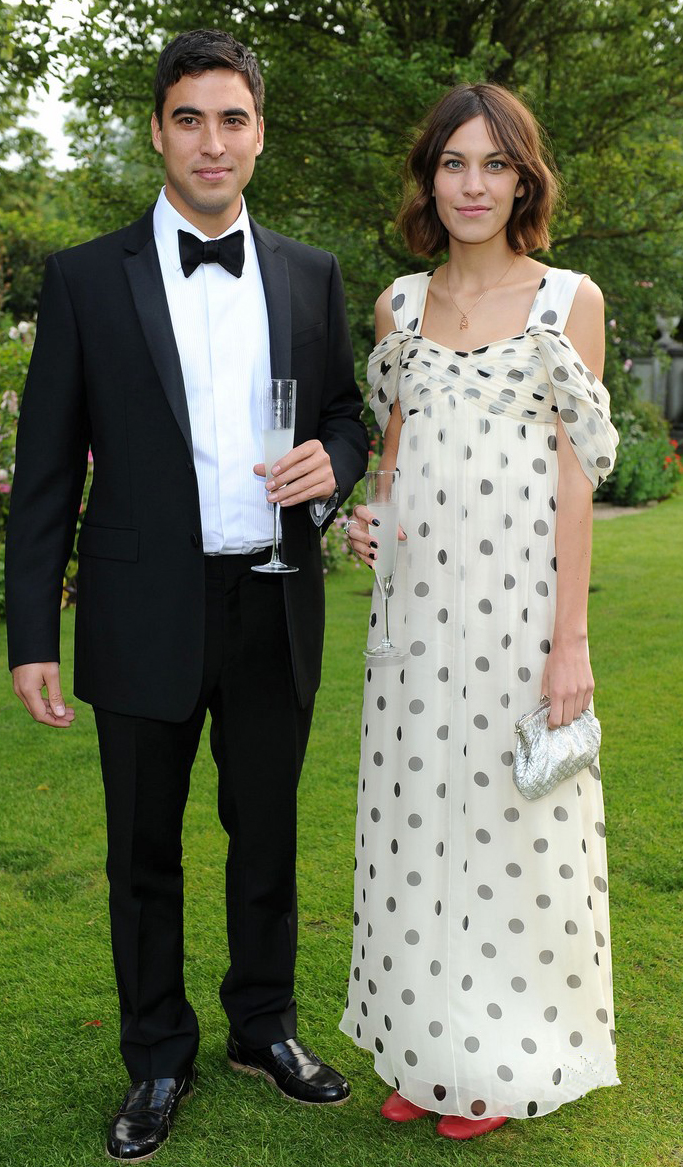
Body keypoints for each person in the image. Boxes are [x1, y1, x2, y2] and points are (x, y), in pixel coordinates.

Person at [5, 28, 367, 1162]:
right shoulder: (82, 278)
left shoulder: (311, 272)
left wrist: (335, 465)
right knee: (141, 852)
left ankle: (265, 1029)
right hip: (138, 608)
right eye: (190, 118)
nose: (213, 142)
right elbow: (48, 468)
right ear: (158, 131)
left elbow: (348, 414)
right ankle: (157, 1056)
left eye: (234, 119)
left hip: (275, 599)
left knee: (266, 838)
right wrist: (31, 634)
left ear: (260, 133)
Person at [340, 82, 619, 1140]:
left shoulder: (568, 301)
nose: (471, 183)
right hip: (414, 623)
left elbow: (576, 479)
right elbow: (397, 459)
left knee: (511, 832)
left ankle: (502, 1062)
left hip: (518, 620)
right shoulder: (399, 308)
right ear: (430, 179)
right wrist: (369, 517)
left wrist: (570, 644)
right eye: (453, 163)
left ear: (522, 179)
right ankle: (426, 1044)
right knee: (417, 828)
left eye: (492, 164)